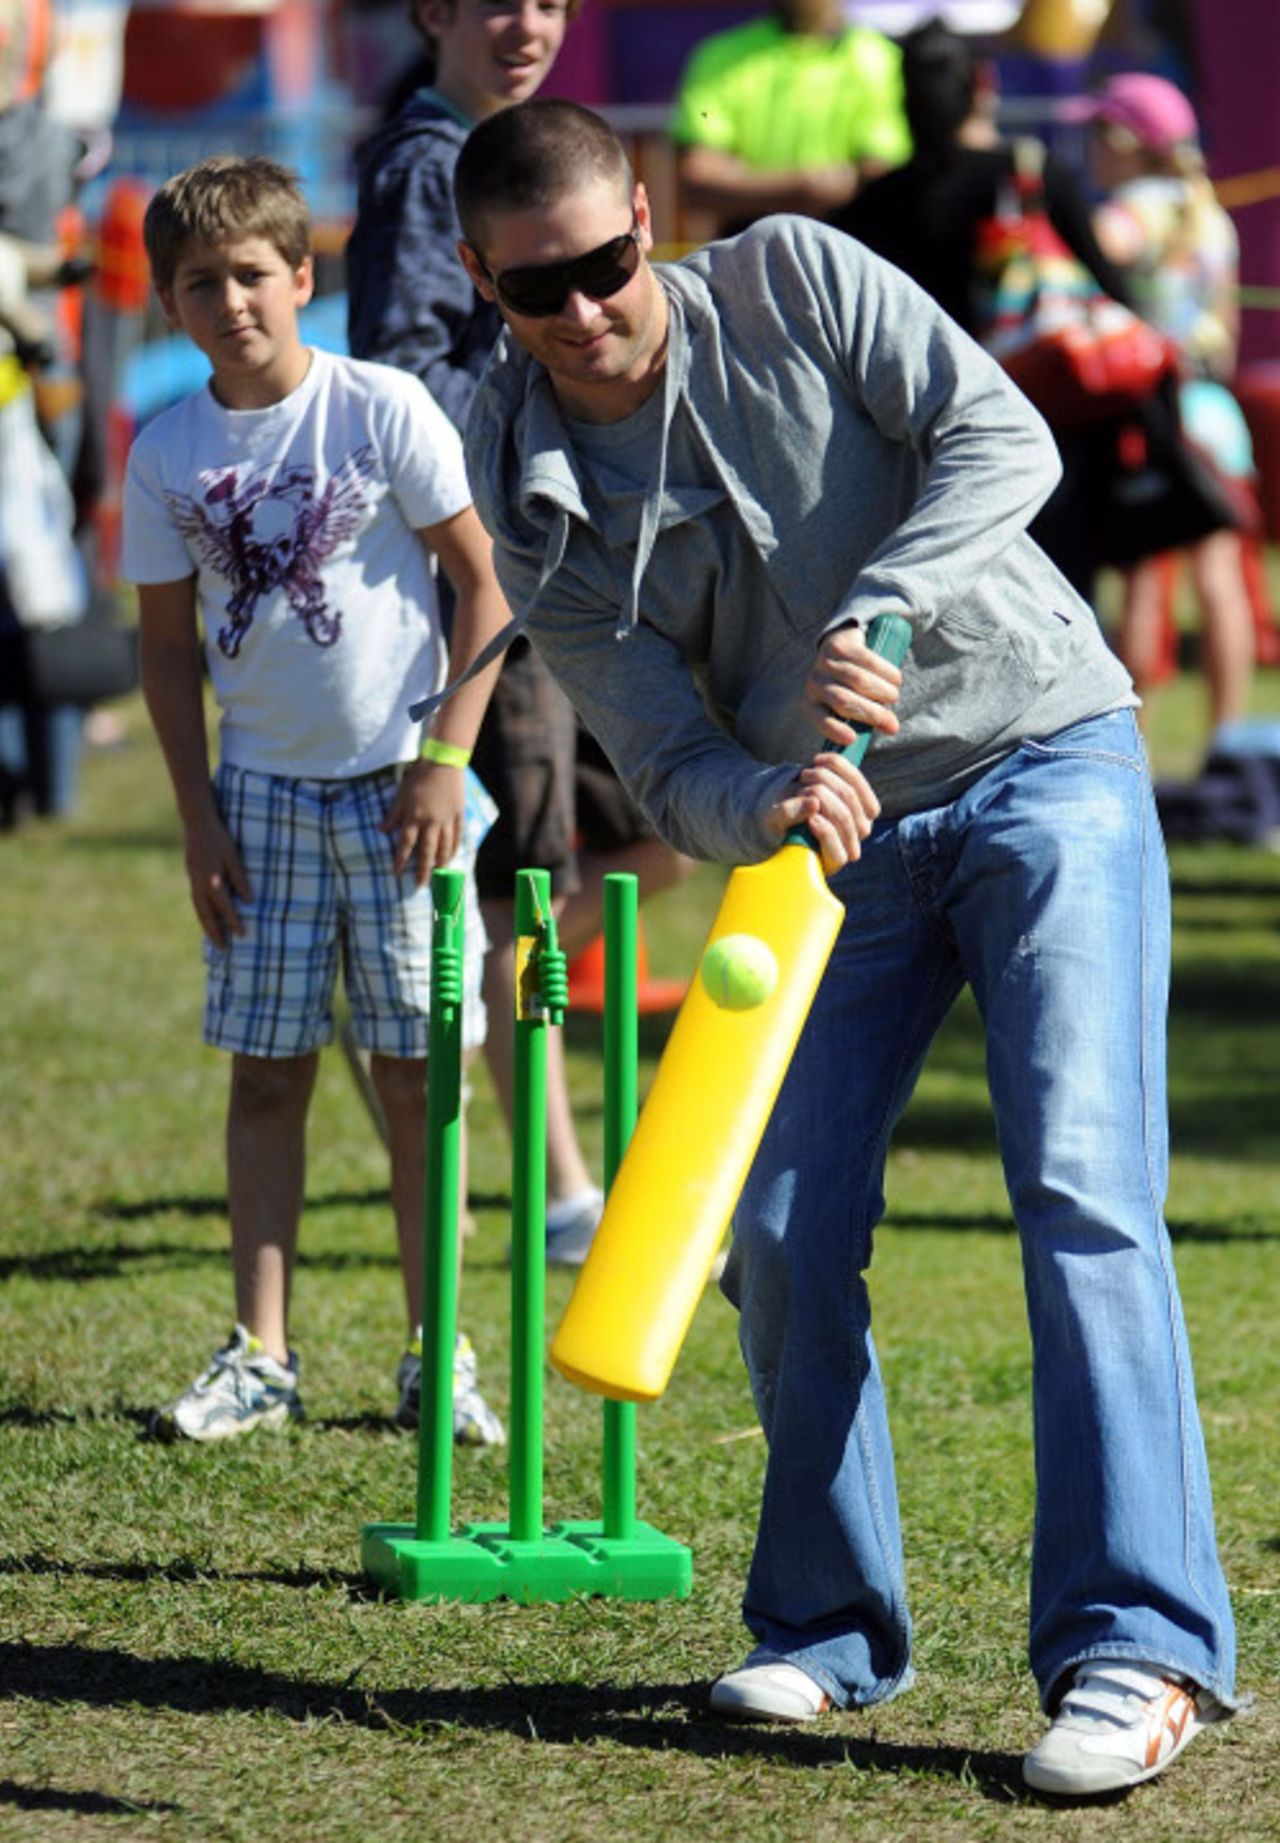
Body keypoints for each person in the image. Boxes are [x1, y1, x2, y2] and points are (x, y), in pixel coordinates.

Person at [446, 97, 1239, 1798]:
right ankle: (822, 1626)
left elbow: (1001, 441)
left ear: (645, 213)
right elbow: (661, 757)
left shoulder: (797, 278)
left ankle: (1142, 1644)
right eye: (538, 291)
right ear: (482, 282)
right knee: (788, 1228)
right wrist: (777, 794)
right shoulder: (531, 488)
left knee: (1085, 1184)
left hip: (1044, 754)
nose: (585, 311)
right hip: (835, 847)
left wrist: (882, 600)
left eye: (605, 263)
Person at [123, 155, 510, 1445]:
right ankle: (263, 1355)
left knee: (415, 1085)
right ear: (168, 304)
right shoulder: (166, 449)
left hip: (406, 796)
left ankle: (433, 1354)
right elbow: (167, 654)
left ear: (303, 276)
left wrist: (447, 759)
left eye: (251, 275)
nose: (230, 301)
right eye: (199, 284)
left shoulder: (380, 407)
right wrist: (198, 819)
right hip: (260, 803)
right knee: (267, 1077)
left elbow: (486, 588)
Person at [347, 0, 690, 1266]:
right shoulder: (427, 165)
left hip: (574, 559)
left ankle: (479, 1024)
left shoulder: (514, 147)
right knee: (520, 885)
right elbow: (398, 369)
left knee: (649, 840)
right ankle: (558, 1189)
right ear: (434, 12)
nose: (528, 25)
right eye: (498, 2)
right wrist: (543, 401)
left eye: (550, 1)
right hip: (497, 567)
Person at [832, 19, 1139, 603]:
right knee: (1063, 593)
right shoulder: (1030, 173)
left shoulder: (874, 204)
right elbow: (1112, 285)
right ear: (983, 85)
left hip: (920, 430)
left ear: (903, 99)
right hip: (1040, 415)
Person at [1078, 71, 1257, 742]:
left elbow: (1088, 258)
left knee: (1145, 585)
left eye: (1097, 132)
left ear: (1126, 142)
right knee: (1220, 583)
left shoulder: (1132, 208)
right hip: (1214, 413)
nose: (1089, 148)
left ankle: (1128, 751)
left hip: (1158, 419)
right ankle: (1230, 746)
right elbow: (1229, 331)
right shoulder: (1210, 214)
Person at [669, 0, 910, 239]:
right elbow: (698, 180)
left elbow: (884, 174)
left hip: (854, 247)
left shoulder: (883, 58)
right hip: (748, 254)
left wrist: (749, 184)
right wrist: (809, 187)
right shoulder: (720, 55)